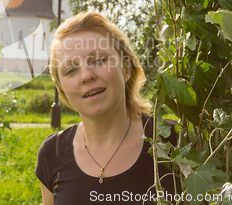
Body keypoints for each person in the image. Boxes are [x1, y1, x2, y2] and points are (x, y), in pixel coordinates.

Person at [35, 12, 179, 205]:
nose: (86, 75)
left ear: (126, 68)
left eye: (99, 60)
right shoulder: (52, 154)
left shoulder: (175, 141)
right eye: (71, 70)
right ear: (62, 90)